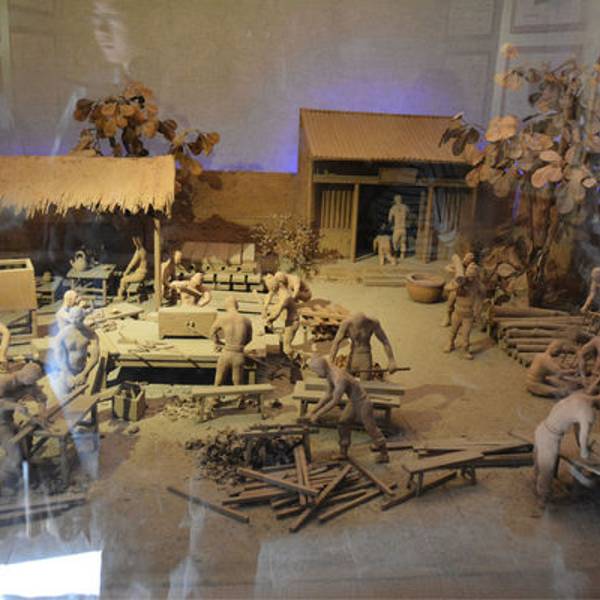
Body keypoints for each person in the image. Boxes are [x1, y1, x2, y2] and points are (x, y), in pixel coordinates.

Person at [308, 356, 388, 463]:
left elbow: (335, 401)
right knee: (343, 423)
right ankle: (343, 453)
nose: (316, 374)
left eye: (316, 371)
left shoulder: (339, 378)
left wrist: (318, 415)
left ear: (321, 368)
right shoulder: (329, 373)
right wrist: (313, 411)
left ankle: (384, 454)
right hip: (353, 401)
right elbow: (328, 395)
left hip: (363, 402)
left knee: (371, 428)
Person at [534, 390, 600, 507]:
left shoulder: (580, 396)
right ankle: (543, 500)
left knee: (539, 461)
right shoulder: (589, 413)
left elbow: (577, 427)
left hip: (541, 428)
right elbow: (583, 437)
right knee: (547, 470)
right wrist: (585, 453)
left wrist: (580, 445)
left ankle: (535, 481)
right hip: (551, 438)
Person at [0, 362, 44, 492]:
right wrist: (14, 406)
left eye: (35, 380)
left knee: (25, 442)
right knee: (15, 456)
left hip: (8, 421)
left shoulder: (28, 383)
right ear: (25, 374)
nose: (33, 383)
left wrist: (42, 415)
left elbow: (41, 398)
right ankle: (5, 482)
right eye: (32, 379)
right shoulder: (4, 381)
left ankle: (23, 472)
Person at [329, 312, 397, 380]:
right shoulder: (347, 324)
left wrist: (391, 360)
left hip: (365, 356)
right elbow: (336, 342)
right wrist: (330, 362)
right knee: (347, 381)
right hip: (353, 356)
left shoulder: (372, 323)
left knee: (365, 383)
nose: (359, 329)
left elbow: (385, 341)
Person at [52, 307, 99, 397]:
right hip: (65, 370)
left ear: (83, 317)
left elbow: (95, 356)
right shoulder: (62, 335)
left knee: (82, 398)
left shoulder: (90, 333)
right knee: (62, 397)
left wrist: (84, 373)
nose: (74, 321)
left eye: (78, 318)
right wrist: (67, 374)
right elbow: (58, 357)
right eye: (72, 318)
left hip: (82, 370)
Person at [443, 262, 484, 359]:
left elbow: (483, 294)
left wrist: (478, 308)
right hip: (457, 312)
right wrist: (456, 284)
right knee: (453, 331)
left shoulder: (477, 285)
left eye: (473, 276)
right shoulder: (460, 281)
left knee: (466, 335)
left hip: (468, 315)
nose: (471, 278)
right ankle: (450, 343)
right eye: (469, 275)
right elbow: (447, 287)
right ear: (466, 273)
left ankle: (465, 350)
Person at [209, 296, 253, 386]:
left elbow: (211, 333)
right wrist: (239, 346)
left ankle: (215, 394)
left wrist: (217, 343)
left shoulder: (222, 318)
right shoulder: (246, 320)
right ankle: (240, 395)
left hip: (226, 353)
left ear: (225, 306)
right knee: (238, 382)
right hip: (238, 355)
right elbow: (249, 338)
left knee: (218, 381)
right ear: (237, 306)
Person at [442, 252, 476, 327]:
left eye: (470, 259)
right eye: (467, 258)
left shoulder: (472, 267)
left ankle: (464, 320)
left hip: (467, 288)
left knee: (467, 304)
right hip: (456, 286)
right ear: (465, 258)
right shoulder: (459, 265)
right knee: (451, 299)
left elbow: (475, 278)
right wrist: (453, 271)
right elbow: (447, 267)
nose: (468, 260)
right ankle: (447, 316)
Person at [264, 288, 300, 358]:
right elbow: (276, 309)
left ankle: (301, 359)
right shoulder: (286, 296)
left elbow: (276, 314)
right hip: (291, 322)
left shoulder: (285, 299)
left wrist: (269, 319)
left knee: (286, 348)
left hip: (292, 323)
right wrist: (267, 311)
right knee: (285, 345)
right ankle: (289, 358)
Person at [116, 236, 148, 300]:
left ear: (137, 242)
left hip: (140, 274)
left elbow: (132, 263)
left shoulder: (139, 252)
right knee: (127, 276)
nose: (134, 243)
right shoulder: (143, 250)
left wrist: (126, 272)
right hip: (141, 272)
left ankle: (120, 296)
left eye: (134, 241)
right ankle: (125, 292)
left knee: (123, 280)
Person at [388, 195, 409, 259]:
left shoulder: (393, 208)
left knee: (395, 241)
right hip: (403, 228)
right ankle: (402, 254)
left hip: (396, 228)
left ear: (395, 200)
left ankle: (396, 253)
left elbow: (390, 219)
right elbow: (408, 216)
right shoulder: (406, 207)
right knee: (403, 241)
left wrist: (391, 225)